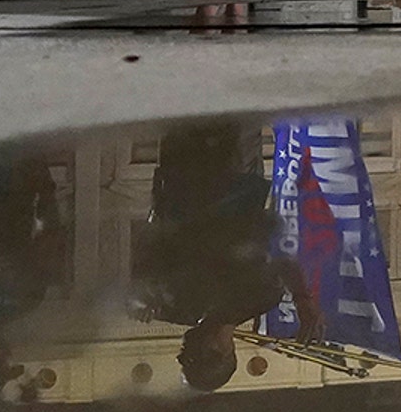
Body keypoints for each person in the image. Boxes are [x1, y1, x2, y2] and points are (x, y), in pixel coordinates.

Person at [130, 123, 321, 392]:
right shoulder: (257, 299)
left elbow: (149, 246)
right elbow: (281, 256)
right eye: (189, 357)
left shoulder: (173, 309)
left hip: (182, 178)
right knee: (239, 105)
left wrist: (138, 293)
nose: (182, 350)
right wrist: (303, 298)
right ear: (221, 351)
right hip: (237, 177)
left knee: (179, 104)